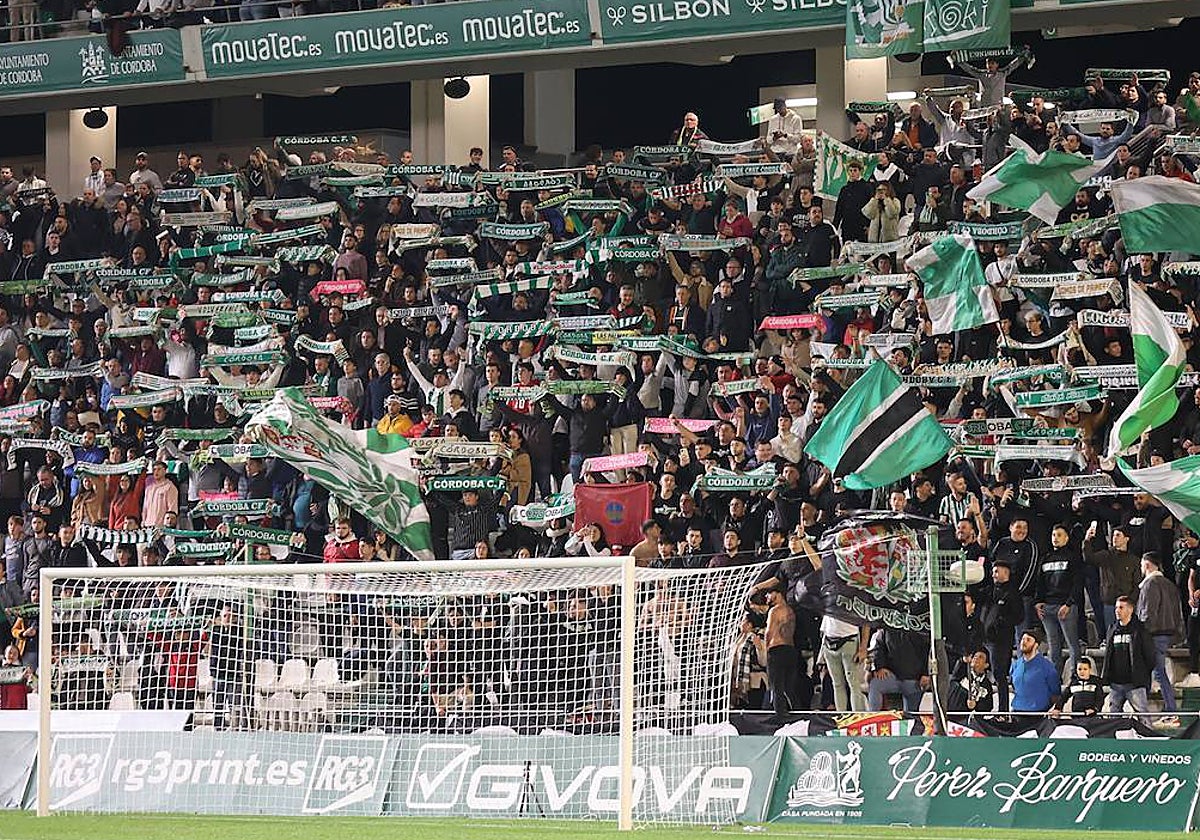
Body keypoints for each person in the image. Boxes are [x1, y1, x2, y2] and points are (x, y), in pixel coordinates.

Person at [1136, 552, 1184, 718]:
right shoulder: (1170, 584)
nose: (1141, 568)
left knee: (1158, 671)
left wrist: (1141, 631)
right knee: (1156, 670)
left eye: (1142, 564)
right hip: (1167, 633)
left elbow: (1149, 612)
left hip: (1154, 633)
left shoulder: (1151, 584)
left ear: (1147, 565)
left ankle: (1171, 709)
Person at [1103, 595, 1157, 723]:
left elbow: (1150, 657)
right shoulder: (1112, 629)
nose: (1117, 610)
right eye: (1116, 607)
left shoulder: (1140, 630)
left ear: (1130, 609)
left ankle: (1149, 741)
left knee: (1143, 716)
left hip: (1134, 683)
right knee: (1113, 716)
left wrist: (1141, 674)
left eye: (1121, 607)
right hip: (1116, 683)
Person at [866, 627, 929, 713]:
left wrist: (926, 673)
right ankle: (873, 717)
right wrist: (880, 666)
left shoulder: (920, 629)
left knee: (911, 715)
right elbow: (878, 647)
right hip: (892, 675)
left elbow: (928, 651)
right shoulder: (887, 628)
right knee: (875, 684)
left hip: (914, 679)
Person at [764, 586, 803, 715]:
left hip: (776, 650)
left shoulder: (774, 611)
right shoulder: (791, 611)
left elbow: (769, 632)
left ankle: (780, 717)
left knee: (777, 688)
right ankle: (799, 715)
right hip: (791, 650)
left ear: (778, 593)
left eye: (769, 593)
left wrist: (766, 649)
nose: (767, 597)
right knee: (790, 688)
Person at [1010, 629, 1060, 713]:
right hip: (1017, 710)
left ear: (1036, 645)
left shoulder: (1047, 667)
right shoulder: (1016, 664)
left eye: (1028, 640)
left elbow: (1055, 692)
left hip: (1039, 714)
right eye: (1022, 639)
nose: (1023, 642)